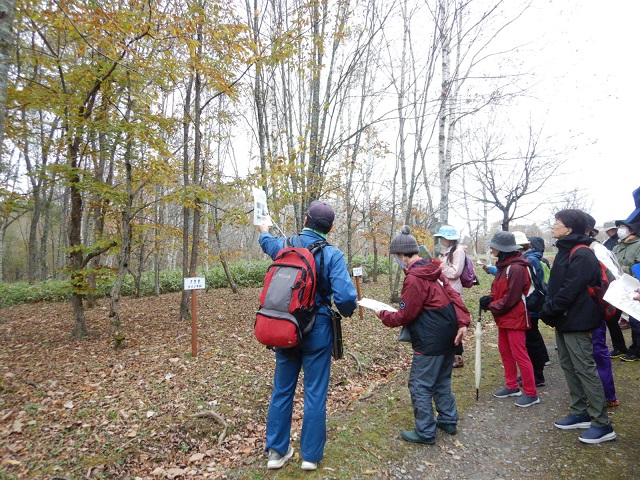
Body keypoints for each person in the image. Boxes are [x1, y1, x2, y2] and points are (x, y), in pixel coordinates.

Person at [258, 200, 358, 471]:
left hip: (287, 327)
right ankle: (311, 457)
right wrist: (347, 311)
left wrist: (264, 229)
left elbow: (267, 244)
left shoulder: (286, 245)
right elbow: (347, 297)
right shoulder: (333, 255)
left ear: (305, 220)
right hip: (319, 331)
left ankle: (276, 453)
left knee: (282, 390)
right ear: (331, 227)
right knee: (315, 393)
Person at [375, 226, 470, 444]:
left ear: (401, 255)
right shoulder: (433, 270)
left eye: (396, 257)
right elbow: (454, 295)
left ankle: (425, 431)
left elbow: (405, 315)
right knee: (441, 381)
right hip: (448, 334)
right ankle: (448, 420)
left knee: (420, 384)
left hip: (430, 339)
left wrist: (383, 314)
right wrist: (462, 321)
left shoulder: (415, 278)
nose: (397, 260)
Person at [540, 209, 616, 444]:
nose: (553, 226)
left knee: (585, 368)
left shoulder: (582, 254)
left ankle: (602, 424)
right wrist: (551, 309)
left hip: (578, 320)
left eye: (557, 222)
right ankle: (579, 411)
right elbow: (556, 286)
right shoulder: (564, 250)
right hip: (563, 319)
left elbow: (570, 290)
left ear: (569, 229)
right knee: (568, 365)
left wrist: (548, 310)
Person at [479, 231, 539, 408]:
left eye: (494, 247)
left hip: (515, 317)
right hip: (503, 317)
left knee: (520, 354)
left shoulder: (517, 268)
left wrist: (492, 306)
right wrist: (489, 298)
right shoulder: (504, 266)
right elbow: (498, 290)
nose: (491, 249)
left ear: (502, 249)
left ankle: (531, 392)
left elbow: (512, 297)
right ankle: (512, 386)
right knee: (505, 351)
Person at [585, 215, 620, 407]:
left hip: (596, 309)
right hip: (595, 307)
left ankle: (607, 396)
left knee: (598, 352)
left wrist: (601, 310)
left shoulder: (596, 251)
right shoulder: (593, 249)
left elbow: (608, 281)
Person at [513, 231, 549, 386]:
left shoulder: (528, 260)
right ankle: (534, 373)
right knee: (531, 339)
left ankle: (537, 376)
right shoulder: (530, 258)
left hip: (530, 306)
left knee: (531, 341)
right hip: (531, 305)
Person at [433, 224, 466, 368]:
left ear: (449, 239)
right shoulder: (448, 251)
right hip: (446, 290)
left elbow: (455, 272)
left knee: (454, 323)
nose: (440, 240)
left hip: (454, 291)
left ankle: (457, 357)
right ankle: (451, 355)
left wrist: (441, 266)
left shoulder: (458, 251)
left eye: (442, 238)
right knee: (449, 323)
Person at [612, 219, 640, 362]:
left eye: (623, 227)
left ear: (632, 229)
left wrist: (622, 272)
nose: (619, 229)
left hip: (634, 286)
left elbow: (638, 266)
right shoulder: (617, 247)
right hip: (618, 286)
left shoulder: (638, 245)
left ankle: (637, 350)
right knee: (612, 318)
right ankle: (619, 347)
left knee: (636, 320)